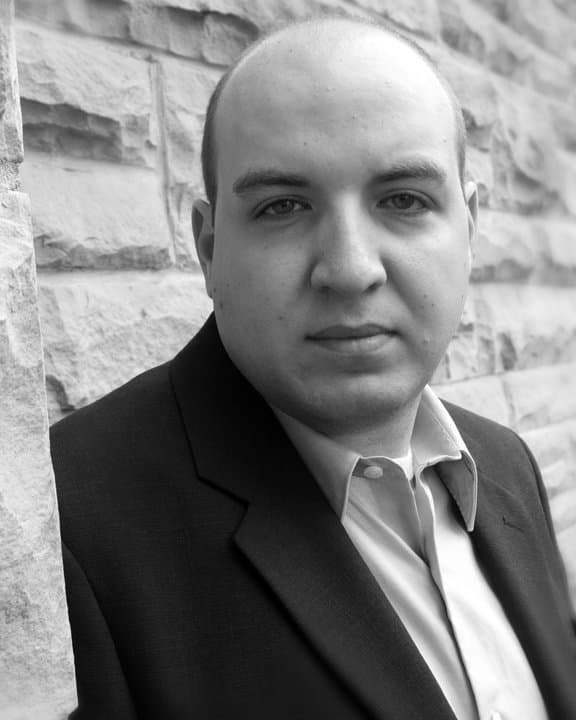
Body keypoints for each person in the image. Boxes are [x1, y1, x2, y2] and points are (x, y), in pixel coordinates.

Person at [51, 16, 576, 720]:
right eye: (283, 206)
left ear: (471, 230)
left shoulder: (505, 464)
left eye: (404, 200)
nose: (351, 269)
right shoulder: (67, 528)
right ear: (209, 247)